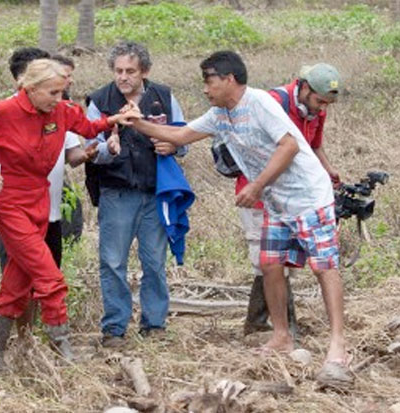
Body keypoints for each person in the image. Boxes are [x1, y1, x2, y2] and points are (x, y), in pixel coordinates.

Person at [125, 51, 350, 385]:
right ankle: (282, 336)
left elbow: (289, 146)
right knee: (270, 264)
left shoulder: (260, 102)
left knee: (323, 266)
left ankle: (338, 343)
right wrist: (136, 122)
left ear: (229, 79)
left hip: (308, 196)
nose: (204, 89)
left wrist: (257, 185)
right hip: (277, 201)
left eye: (208, 80)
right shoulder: (219, 115)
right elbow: (181, 135)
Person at [0, 58, 129, 370]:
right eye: (53, 92)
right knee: (50, 277)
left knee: (16, 284)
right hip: (10, 202)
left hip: (40, 200)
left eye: (62, 92)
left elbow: (89, 127)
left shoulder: (62, 111)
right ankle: (63, 351)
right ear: (30, 88)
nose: (59, 99)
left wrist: (119, 119)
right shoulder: (2, 112)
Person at [85, 41, 186, 348]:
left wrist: (174, 145)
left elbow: (183, 139)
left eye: (130, 71)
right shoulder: (99, 101)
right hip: (116, 192)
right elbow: (87, 149)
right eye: (118, 71)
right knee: (112, 261)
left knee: (154, 260)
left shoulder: (164, 97)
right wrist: (107, 149)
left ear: (145, 71)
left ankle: (154, 324)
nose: (123, 77)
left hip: (155, 191)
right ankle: (114, 328)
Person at [242, 63, 342, 336]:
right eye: (320, 101)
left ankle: (276, 325)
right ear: (305, 87)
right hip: (261, 192)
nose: (322, 108)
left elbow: (314, 145)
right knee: (265, 261)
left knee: (284, 262)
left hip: (297, 195)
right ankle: (265, 325)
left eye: (327, 104)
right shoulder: (272, 103)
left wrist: (327, 171)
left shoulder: (315, 109)